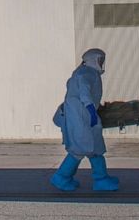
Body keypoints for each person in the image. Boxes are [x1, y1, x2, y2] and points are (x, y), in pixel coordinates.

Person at [50, 48, 120, 192]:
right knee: (80, 149)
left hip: (83, 116)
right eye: (100, 60)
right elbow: (84, 93)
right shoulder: (86, 73)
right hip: (81, 117)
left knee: (94, 148)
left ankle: (101, 178)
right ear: (93, 60)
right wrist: (91, 111)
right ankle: (62, 177)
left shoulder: (84, 72)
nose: (102, 63)